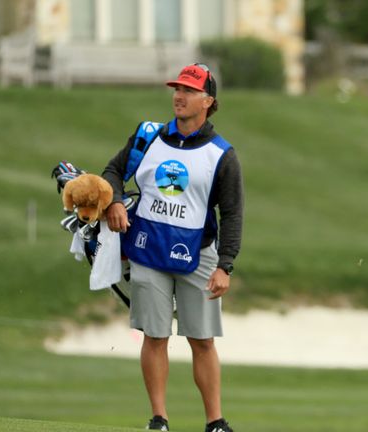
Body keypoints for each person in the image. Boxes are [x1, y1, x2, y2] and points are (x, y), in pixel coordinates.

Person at [102, 63, 243, 432]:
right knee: (155, 335)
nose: (179, 96)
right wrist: (115, 200)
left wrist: (225, 265)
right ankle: (159, 419)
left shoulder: (222, 154)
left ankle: (215, 422)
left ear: (208, 101)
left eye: (190, 90)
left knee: (201, 340)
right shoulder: (149, 137)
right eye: (177, 88)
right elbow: (113, 172)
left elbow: (232, 213)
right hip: (148, 249)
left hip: (198, 255)